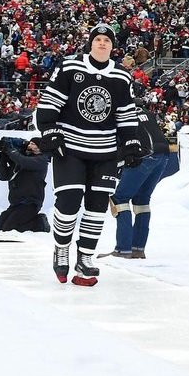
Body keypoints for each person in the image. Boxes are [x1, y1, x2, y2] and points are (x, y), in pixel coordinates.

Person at [34, 23, 141, 286]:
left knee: (97, 206)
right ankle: (61, 248)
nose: (102, 43)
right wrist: (50, 131)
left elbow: (126, 114)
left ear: (113, 47)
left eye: (107, 40)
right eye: (98, 39)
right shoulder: (70, 67)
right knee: (69, 201)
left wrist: (131, 142)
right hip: (70, 147)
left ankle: (85, 257)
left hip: (105, 150)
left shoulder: (121, 76)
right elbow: (49, 103)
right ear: (91, 43)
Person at [107, 83, 170, 258]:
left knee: (120, 199)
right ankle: (138, 248)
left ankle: (123, 248)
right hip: (163, 155)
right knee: (142, 201)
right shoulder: (146, 112)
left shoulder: (122, 113)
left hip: (143, 155)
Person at [0, 137, 51, 233]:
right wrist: (2, 155)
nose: (29, 145)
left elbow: (24, 161)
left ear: (40, 148)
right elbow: (3, 176)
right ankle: (33, 221)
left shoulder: (41, 160)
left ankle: (39, 223)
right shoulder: (20, 161)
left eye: (33, 144)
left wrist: (9, 150)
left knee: (8, 228)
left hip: (30, 203)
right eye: (29, 143)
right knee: (1, 226)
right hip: (16, 202)